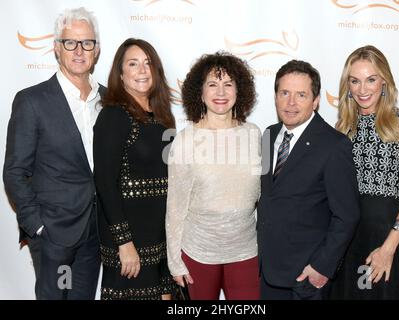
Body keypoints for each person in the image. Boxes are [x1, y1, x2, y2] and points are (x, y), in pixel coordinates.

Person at [3, 7, 103, 300]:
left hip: (95, 232)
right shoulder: (32, 101)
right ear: (57, 48)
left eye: (87, 43)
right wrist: (37, 225)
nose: (79, 51)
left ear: (96, 50)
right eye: (70, 42)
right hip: (53, 234)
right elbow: (15, 171)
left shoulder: (107, 100)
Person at [257, 59, 360, 300]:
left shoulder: (334, 145)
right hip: (267, 272)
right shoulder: (268, 135)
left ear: (315, 101)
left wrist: (321, 267)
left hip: (306, 279)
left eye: (301, 95)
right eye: (284, 93)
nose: (291, 103)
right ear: (275, 96)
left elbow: (347, 215)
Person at [166, 51, 261, 300]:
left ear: (239, 91)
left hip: (245, 252)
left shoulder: (254, 135)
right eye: (213, 84)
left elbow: (262, 195)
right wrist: (174, 260)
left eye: (228, 84)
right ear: (201, 92)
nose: (221, 92)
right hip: (198, 253)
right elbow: (175, 207)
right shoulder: (185, 141)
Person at [329, 45, 399, 300]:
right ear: (347, 85)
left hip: (385, 235)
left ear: (384, 81)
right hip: (346, 237)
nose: (363, 89)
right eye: (355, 81)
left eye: (371, 79)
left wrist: (388, 249)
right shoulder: (342, 128)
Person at [93, 38, 177, 300]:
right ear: (121, 74)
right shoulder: (113, 115)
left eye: (148, 63)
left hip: (161, 240)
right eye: (133, 63)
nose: (142, 70)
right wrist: (124, 243)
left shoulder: (163, 117)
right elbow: (105, 184)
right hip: (130, 246)